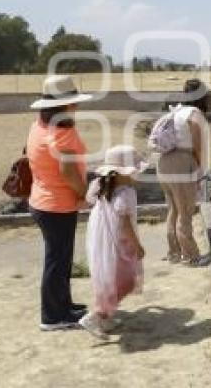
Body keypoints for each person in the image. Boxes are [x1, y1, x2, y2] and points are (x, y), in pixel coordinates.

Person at [27, 75, 93, 331]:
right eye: (73, 102)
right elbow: (68, 172)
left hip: (44, 200)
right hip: (57, 204)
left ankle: (63, 305)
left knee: (60, 258)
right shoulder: (62, 133)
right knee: (57, 260)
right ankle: (53, 316)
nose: (76, 106)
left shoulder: (39, 126)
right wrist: (85, 193)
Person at [78, 145, 146, 339]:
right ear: (123, 173)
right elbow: (125, 223)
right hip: (118, 240)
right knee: (124, 280)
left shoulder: (102, 185)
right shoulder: (125, 193)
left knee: (108, 277)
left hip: (101, 237)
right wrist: (137, 246)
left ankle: (106, 317)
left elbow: (89, 199)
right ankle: (95, 316)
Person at [157, 80, 209, 266]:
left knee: (174, 210)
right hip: (182, 162)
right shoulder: (195, 114)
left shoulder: (176, 111)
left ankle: (174, 253)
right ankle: (192, 256)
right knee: (185, 211)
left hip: (164, 162)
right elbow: (197, 145)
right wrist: (198, 167)